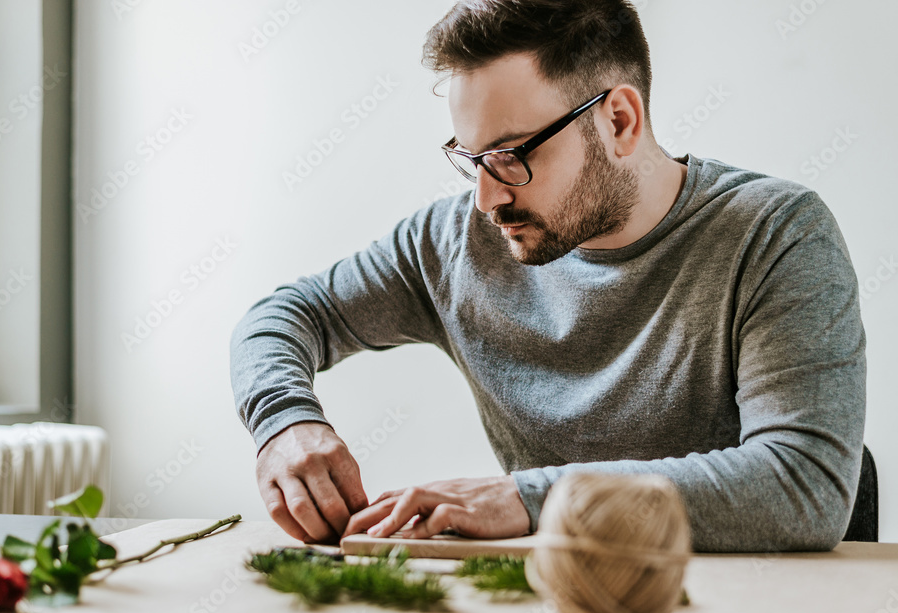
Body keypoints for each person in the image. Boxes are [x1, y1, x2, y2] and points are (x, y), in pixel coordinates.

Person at [229, 0, 866, 552]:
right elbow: (284, 317)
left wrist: (526, 499)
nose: (485, 198)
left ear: (619, 121)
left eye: (510, 155)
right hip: (557, 612)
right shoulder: (454, 241)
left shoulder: (776, 234)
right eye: (471, 157)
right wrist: (283, 420)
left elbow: (801, 486)